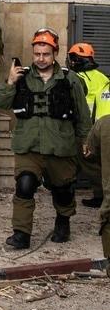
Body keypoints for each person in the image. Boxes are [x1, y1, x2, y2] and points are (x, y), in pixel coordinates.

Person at [0, 29, 89, 248]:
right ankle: (21, 235)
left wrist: (86, 140)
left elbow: (83, 115)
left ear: (55, 52)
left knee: (63, 189)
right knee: (25, 186)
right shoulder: (21, 76)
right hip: (29, 145)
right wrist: (9, 81)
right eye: (37, 53)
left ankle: (63, 221)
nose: (41, 58)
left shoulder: (70, 79)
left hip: (61, 146)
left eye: (46, 54)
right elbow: (0, 104)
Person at [70, 42, 110, 210]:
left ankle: (101, 195)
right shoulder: (102, 76)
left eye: (73, 59)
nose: (70, 63)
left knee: (86, 161)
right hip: (105, 127)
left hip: (90, 128)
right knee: (101, 163)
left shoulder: (79, 78)